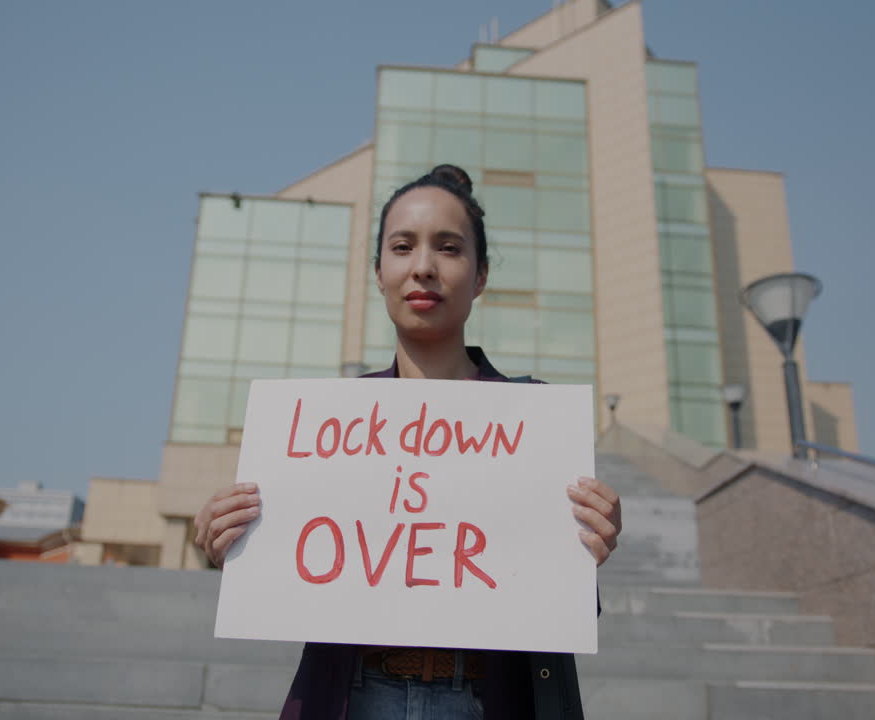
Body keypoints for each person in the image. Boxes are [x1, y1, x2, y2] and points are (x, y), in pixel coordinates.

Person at [193, 164, 623, 720]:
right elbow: (287, 573)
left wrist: (589, 543)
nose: (423, 267)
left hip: (487, 700)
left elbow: (559, 606)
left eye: (448, 248)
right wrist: (231, 540)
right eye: (402, 247)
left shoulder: (535, 424)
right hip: (350, 696)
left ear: (481, 273)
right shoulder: (325, 429)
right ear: (379, 271)